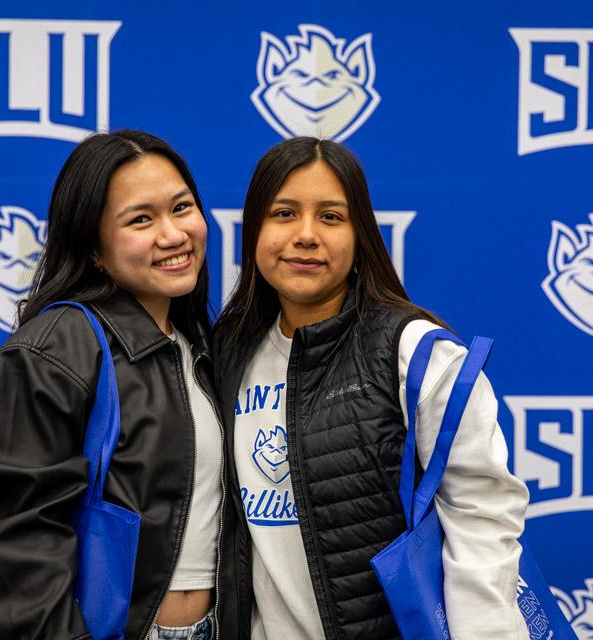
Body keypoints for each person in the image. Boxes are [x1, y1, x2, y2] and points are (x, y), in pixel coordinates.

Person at [213, 137, 529, 640]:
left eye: (332, 217)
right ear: (253, 231)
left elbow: (482, 518)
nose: (306, 235)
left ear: (362, 236)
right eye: (284, 213)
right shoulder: (225, 354)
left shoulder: (416, 354)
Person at [0, 130, 225, 640]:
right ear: (95, 250)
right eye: (140, 219)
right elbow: (21, 544)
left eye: (182, 207)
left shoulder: (199, 345)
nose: (173, 234)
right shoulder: (54, 351)